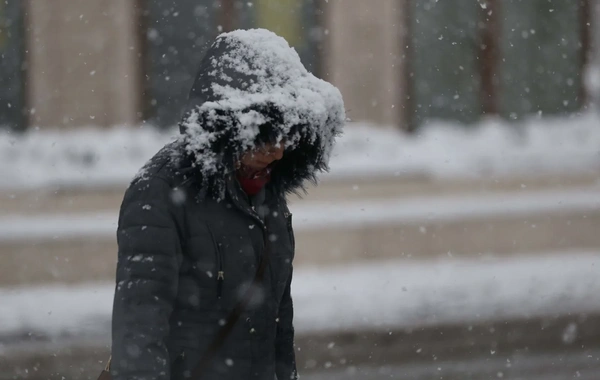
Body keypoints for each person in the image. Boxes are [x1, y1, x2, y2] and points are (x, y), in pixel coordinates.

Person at [109, 28, 345, 380]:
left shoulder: (268, 195)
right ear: (229, 128)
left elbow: (279, 325)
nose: (278, 151)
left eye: (287, 136)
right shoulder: (157, 193)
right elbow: (140, 326)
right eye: (265, 136)